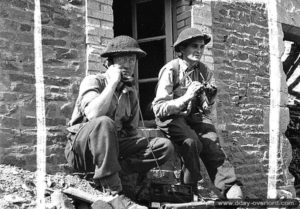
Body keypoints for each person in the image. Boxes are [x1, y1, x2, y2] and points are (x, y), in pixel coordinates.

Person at [65, 35, 174, 208]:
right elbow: (93, 114)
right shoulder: (93, 81)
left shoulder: (130, 92)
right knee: (104, 122)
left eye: (132, 60)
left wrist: (140, 145)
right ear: (109, 63)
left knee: (163, 146)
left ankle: (106, 174)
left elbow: (132, 132)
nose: (129, 64)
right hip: (82, 150)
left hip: (112, 149)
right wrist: (112, 83)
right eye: (123, 58)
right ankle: (113, 192)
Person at [152, 28, 243, 200]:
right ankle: (189, 188)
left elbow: (205, 109)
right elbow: (159, 108)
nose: (199, 51)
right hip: (170, 117)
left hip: (192, 117)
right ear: (182, 49)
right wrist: (186, 96)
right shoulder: (171, 69)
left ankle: (230, 186)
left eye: (202, 47)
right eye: (194, 46)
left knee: (211, 142)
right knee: (191, 141)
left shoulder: (203, 71)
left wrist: (210, 98)